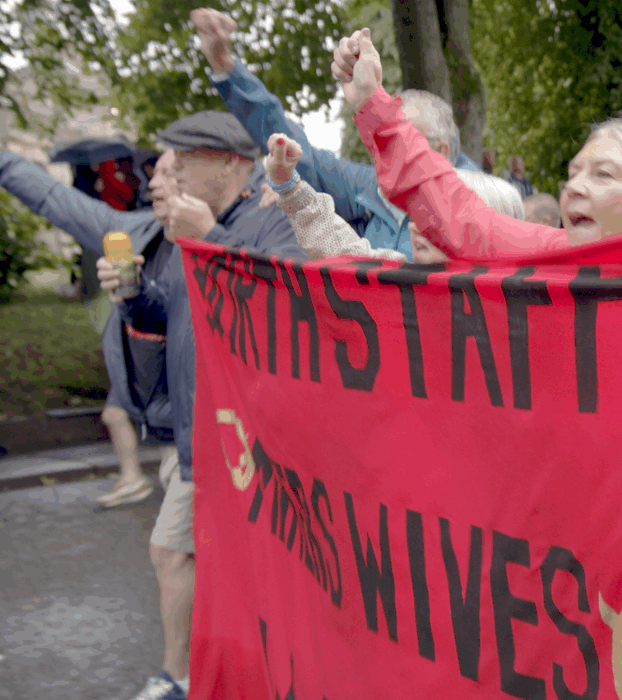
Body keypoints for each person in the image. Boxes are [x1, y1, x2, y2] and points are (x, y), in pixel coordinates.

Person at [98, 112, 305, 700]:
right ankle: (210, 675)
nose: (174, 175)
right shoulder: (195, 225)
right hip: (203, 436)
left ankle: (185, 678)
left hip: (249, 438)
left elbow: (279, 301)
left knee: (184, 552)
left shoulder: (272, 215)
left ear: (230, 164)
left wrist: (211, 237)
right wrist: (135, 294)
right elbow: (181, 319)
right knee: (211, 563)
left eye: (186, 162)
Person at [332, 28, 622, 280]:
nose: (574, 187)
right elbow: (461, 220)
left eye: (603, 175)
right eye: (573, 173)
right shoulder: (553, 253)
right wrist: (371, 100)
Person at [190, 8, 479, 258]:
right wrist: (226, 65)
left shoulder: (485, 206)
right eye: (383, 140)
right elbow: (300, 155)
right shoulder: (372, 187)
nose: (384, 155)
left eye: (399, 140)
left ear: (440, 151)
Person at [0, 150, 178, 509]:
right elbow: (55, 199)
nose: (153, 183)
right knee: (172, 555)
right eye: (153, 173)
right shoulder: (132, 231)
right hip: (164, 425)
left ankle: (132, 479)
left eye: (168, 174)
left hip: (212, 432)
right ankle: (132, 478)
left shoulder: (231, 240)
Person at [263, 132, 522, 261]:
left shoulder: (515, 302)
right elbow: (337, 246)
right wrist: (289, 185)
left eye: (438, 216)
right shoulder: (399, 273)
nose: (413, 224)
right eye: (420, 212)